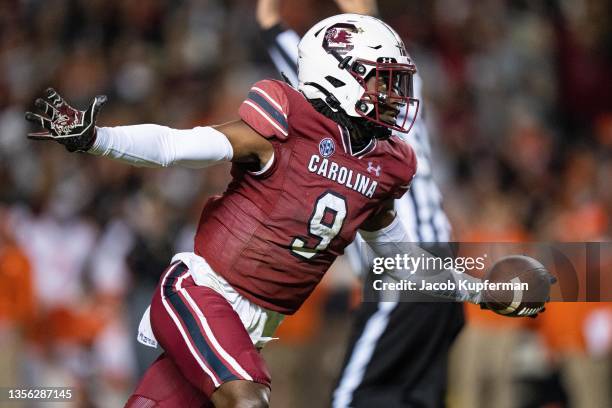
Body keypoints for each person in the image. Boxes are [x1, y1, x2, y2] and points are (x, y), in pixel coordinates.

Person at [24, 13, 542, 408]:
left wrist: (483, 290)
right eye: (381, 79)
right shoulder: (287, 120)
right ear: (338, 74)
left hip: (253, 325)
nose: (393, 94)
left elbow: (400, 265)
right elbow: (180, 146)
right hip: (202, 294)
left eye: (396, 81)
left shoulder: (388, 165)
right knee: (247, 399)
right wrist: (97, 138)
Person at [256, 1, 464, 406]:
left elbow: (320, 63)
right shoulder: (388, 92)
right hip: (438, 274)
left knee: (351, 400)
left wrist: (269, 22)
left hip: (406, 273)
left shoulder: (362, 108)